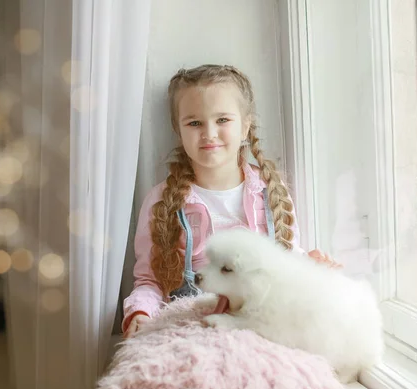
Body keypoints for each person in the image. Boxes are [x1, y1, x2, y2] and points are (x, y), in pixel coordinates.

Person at [122, 64, 340, 338]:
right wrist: (140, 312)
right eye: (194, 123)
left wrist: (310, 266)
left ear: (245, 126)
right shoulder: (160, 202)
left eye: (222, 120)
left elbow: (284, 262)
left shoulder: (269, 189)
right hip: (193, 327)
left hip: (258, 324)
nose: (209, 133)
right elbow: (149, 281)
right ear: (178, 130)